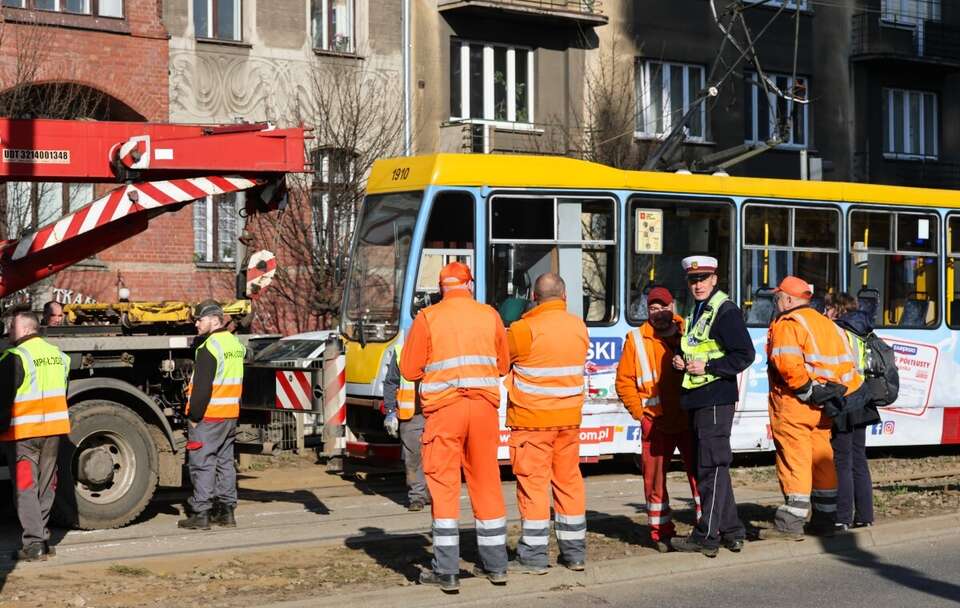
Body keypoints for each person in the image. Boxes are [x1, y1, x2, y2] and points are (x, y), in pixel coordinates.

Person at [400, 262, 510, 592]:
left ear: (441, 288)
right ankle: (497, 565)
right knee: (486, 481)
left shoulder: (428, 317)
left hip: (445, 411)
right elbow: (503, 365)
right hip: (483, 409)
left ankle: (446, 570)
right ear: (469, 285)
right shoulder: (490, 315)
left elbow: (409, 369)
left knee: (443, 485)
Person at [762, 277, 864, 541]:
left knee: (794, 461)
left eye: (778, 298)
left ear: (788, 299)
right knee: (822, 460)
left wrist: (807, 391)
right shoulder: (827, 324)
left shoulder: (789, 323)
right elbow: (848, 367)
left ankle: (790, 522)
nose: (776, 303)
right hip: (825, 407)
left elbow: (788, 365)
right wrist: (831, 394)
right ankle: (825, 519)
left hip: (795, 405)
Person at [670, 256, 755, 557]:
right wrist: (679, 359)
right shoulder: (696, 310)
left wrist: (708, 366)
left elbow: (745, 354)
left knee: (711, 467)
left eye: (703, 279)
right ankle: (732, 531)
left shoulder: (725, 310)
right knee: (713, 466)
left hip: (716, 397)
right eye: (693, 280)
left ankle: (706, 535)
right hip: (700, 397)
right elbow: (694, 346)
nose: (698, 285)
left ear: (715, 280)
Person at [505, 272, 589, 574]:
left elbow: (502, 361)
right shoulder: (578, 327)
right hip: (568, 422)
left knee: (534, 487)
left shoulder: (523, 328)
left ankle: (533, 555)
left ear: (533, 297)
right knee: (569, 483)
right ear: (564, 296)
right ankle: (574, 553)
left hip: (532, 422)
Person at [615, 286, 700, 553]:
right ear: (647, 311)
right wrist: (640, 415)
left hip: (689, 418)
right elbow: (624, 382)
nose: (659, 312)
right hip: (656, 422)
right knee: (654, 482)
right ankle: (661, 533)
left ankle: (707, 527)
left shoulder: (690, 333)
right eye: (653, 308)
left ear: (673, 307)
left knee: (700, 476)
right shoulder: (636, 339)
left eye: (664, 307)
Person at [0, 310, 71, 561]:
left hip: (24, 435)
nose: (9, 331)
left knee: (25, 487)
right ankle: (41, 537)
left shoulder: (15, 356)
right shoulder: (59, 356)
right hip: (53, 431)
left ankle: (34, 543)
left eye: (12, 327)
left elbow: (3, 400)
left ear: (27, 329)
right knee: (47, 485)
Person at [178, 300, 246, 531]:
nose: (196, 324)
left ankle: (201, 513)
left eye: (200, 320)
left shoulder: (209, 348)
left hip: (210, 416)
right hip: (230, 414)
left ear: (215, 320)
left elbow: (202, 389)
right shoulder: (234, 344)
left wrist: (194, 416)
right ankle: (226, 513)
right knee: (225, 463)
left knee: (202, 463)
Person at [825, 292, 879, 531]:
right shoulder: (863, 330)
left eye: (828, 308)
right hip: (863, 397)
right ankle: (865, 515)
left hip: (845, 399)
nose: (825, 312)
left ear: (837, 309)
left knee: (842, 460)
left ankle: (842, 517)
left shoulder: (838, 331)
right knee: (858, 458)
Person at [382, 343, 429, 511]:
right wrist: (390, 411)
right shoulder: (401, 350)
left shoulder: (441, 343)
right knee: (413, 458)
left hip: (436, 411)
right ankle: (417, 497)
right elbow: (391, 382)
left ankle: (432, 493)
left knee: (437, 456)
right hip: (412, 414)